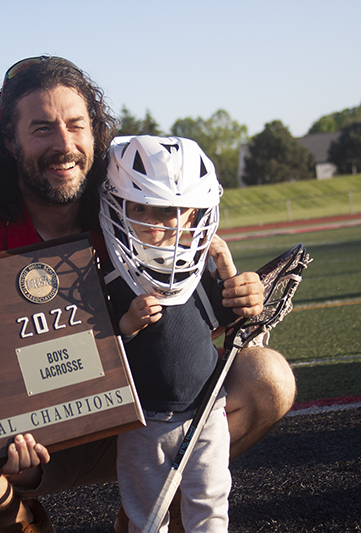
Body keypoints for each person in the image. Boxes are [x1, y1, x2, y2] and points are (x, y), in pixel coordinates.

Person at [0, 56, 296, 533]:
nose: (64, 144)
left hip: (142, 420)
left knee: (268, 378)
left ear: (95, 131)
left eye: (75, 125)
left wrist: (241, 298)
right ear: (8, 140)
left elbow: (191, 339)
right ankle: (17, 521)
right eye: (41, 128)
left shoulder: (133, 209)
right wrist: (4, 431)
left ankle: (154, 511)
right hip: (35, 439)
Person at [100, 135, 238, 532]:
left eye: (168, 213)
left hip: (208, 408)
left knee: (211, 498)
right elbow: (98, 346)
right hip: (142, 419)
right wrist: (126, 325)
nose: (155, 226)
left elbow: (229, 316)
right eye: (142, 209)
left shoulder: (195, 268)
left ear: (194, 215)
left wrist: (226, 265)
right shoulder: (113, 274)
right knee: (146, 512)